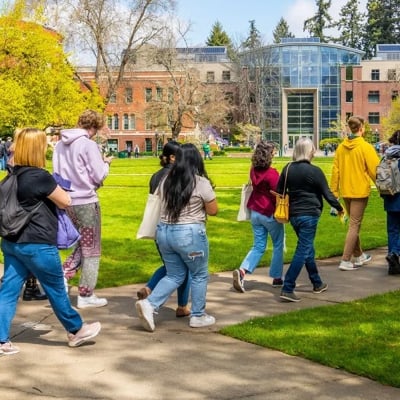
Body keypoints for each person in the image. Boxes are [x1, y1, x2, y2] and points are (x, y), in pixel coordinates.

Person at [0, 128, 101, 355]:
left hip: (12, 242)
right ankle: (76, 329)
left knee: (8, 290)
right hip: (38, 244)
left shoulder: (11, 176)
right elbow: (65, 200)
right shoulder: (39, 177)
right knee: (56, 287)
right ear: (37, 149)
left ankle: (1, 339)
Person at [135, 143, 218, 331]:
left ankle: (150, 303)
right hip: (189, 234)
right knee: (199, 274)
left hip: (164, 232)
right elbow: (213, 210)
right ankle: (197, 315)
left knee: (175, 274)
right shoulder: (200, 182)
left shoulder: (166, 181)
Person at [53, 110, 113, 309]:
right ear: (94, 127)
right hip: (86, 201)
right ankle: (86, 293)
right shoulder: (88, 144)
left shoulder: (60, 145)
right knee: (91, 248)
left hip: (66, 200)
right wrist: (106, 164)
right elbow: (98, 175)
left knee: (83, 242)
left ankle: (64, 273)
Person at [277, 138, 344, 302]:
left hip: (293, 215)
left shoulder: (288, 168)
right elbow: (327, 194)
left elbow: (279, 190)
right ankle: (288, 287)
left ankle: (317, 282)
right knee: (303, 250)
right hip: (309, 215)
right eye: (313, 149)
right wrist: (340, 208)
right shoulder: (315, 171)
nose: (314, 152)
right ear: (309, 151)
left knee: (307, 249)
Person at [136, 141, 191, 317]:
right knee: (183, 269)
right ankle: (181, 306)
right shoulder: (176, 177)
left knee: (171, 265)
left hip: (158, 228)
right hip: (175, 227)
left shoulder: (155, 176)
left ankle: (149, 287)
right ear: (173, 157)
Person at [232, 142, 284, 292]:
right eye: (273, 152)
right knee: (278, 244)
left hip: (255, 211)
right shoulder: (272, 174)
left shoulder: (253, 170)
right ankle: (277, 277)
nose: (274, 154)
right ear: (268, 155)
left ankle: (243, 271)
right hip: (269, 213)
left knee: (258, 246)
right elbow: (277, 195)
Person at [330, 116, 380, 271]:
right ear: (361, 128)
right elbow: (376, 171)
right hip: (359, 191)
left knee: (353, 223)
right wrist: (383, 188)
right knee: (354, 225)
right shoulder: (365, 147)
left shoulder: (341, 148)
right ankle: (345, 260)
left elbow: (335, 171)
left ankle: (359, 256)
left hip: (346, 191)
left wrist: (334, 192)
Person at [379, 130, 400, 275]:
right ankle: (395, 255)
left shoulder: (386, 157)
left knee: (392, 230)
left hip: (390, 198)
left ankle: (393, 257)